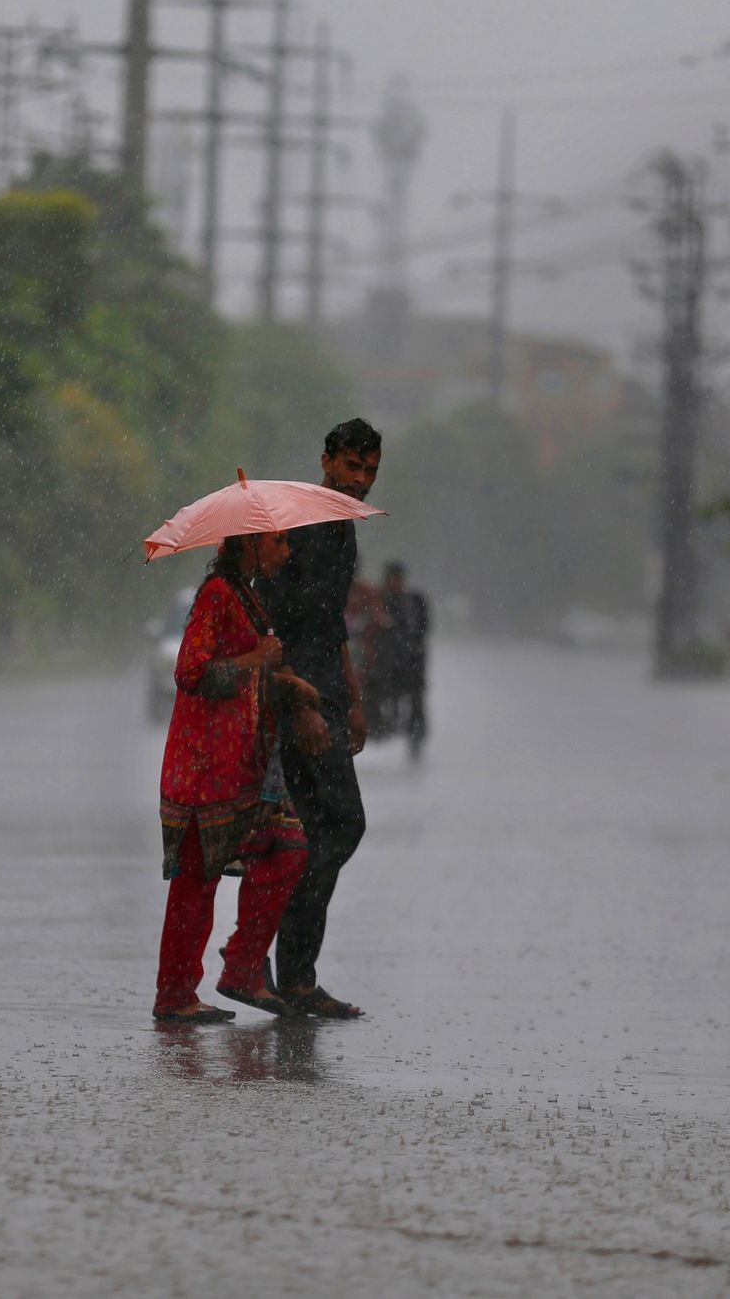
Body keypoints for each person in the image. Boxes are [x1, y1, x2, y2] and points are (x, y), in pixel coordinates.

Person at [153, 531, 323, 1023]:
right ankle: (175, 996)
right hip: (204, 768)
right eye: (276, 543)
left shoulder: (247, 596)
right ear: (247, 544)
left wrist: (289, 685)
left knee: (288, 849)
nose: (285, 553)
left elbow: (250, 674)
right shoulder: (217, 595)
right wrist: (258, 660)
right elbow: (191, 672)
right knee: (195, 883)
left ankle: (243, 967)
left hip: (243, 765)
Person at [257, 418, 383, 1020]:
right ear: (326, 460)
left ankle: (291, 973)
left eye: (370, 471)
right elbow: (270, 625)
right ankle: (279, 963)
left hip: (329, 694)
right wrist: (298, 701)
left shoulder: (344, 531)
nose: (360, 481)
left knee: (308, 836)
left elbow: (332, 623)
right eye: (351, 468)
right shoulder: (295, 528)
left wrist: (353, 695)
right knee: (341, 824)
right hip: (294, 698)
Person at [376, 561, 430, 760]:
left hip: (411, 662)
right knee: (388, 699)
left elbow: (422, 630)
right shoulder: (379, 600)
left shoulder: (414, 601)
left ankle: (415, 742)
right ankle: (387, 729)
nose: (394, 583)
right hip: (387, 664)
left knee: (415, 703)